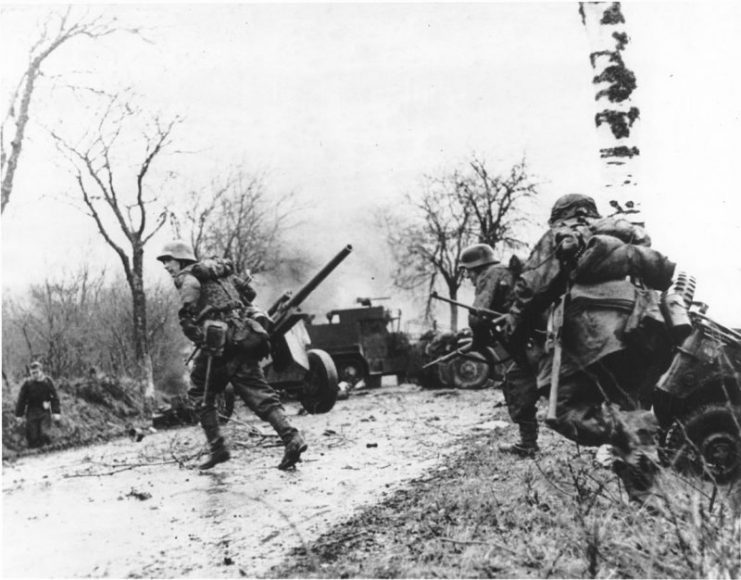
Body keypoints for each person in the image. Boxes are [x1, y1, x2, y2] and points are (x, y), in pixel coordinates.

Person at [502, 193, 678, 501]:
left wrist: (513, 329)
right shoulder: (620, 236)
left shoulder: (563, 234)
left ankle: (637, 435)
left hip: (594, 337)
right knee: (627, 407)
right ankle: (646, 500)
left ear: (560, 215)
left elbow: (532, 287)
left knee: (563, 411)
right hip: (642, 332)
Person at [157, 240, 307, 471]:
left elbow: (187, 317)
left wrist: (200, 336)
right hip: (245, 337)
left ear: (182, 259)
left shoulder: (188, 278)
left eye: (169, 260)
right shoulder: (219, 272)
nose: (166, 266)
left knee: (200, 392)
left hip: (220, 345)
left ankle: (218, 449)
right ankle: (292, 438)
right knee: (261, 394)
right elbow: (249, 293)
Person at [459, 243, 542, 457]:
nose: (468, 277)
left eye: (467, 271)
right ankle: (528, 442)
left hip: (531, 342)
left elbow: (477, 317)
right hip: (537, 338)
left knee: (516, 382)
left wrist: (477, 342)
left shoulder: (489, 275)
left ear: (475, 268)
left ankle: (529, 443)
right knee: (519, 380)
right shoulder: (506, 272)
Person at [15, 361, 61, 448]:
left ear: (41, 371)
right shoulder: (27, 384)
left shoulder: (47, 381)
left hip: (44, 411)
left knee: (45, 433)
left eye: (36, 372)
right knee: (33, 437)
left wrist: (56, 412)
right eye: (32, 373)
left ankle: (49, 451)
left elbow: (54, 398)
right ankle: (35, 454)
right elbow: (21, 400)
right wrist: (19, 415)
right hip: (32, 411)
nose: (34, 375)